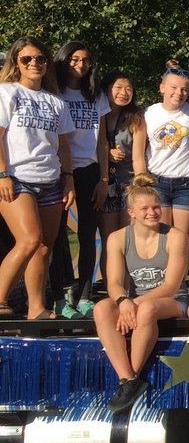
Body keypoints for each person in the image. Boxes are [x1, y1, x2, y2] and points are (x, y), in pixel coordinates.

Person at [95, 174, 189, 413]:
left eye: (156, 207)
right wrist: (123, 300)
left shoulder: (175, 236)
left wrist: (132, 303)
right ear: (131, 213)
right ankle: (127, 379)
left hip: (171, 300)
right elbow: (114, 282)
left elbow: (171, 285)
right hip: (134, 300)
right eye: (145, 208)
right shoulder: (117, 238)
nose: (152, 212)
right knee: (102, 308)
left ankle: (135, 374)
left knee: (147, 309)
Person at [0, 37, 75, 320]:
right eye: (27, 59)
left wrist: (68, 179)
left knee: (44, 247)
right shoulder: (7, 93)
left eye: (40, 59)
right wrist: (2, 174)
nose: (34, 63)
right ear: (16, 62)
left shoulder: (56, 101)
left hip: (51, 179)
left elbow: (64, 146)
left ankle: (36, 308)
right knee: (29, 240)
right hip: (17, 177)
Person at [50, 40, 109, 318]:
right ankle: (61, 297)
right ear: (63, 60)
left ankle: (84, 294)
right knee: (57, 236)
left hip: (89, 172)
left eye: (85, 60)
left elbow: (102, 142)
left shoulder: (96, 95)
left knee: (87, 236)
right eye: (74, 59)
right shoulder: (54, 92)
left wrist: (104, 179)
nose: (80, 65)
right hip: (59, 170)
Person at [144, 61, 189, 236]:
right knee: (161, 236)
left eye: (184, 89)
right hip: (157, 181)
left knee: (181, 237)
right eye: (174, 87)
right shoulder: (148, 113)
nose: (179, 93)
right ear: (162, 88)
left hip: (186, 183)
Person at [98, 71, 147, 247]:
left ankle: (130, 275)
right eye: (118, 87)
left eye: (128, 89)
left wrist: (141, 188)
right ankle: (111, 276)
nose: (124, 93)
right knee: (109, 240)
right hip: (104, 183)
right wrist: (107, 153)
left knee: (131, 238)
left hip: (128, 183)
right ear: (107, 89)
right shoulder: (98, 114)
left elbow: (138, 158)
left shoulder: (136, 117)